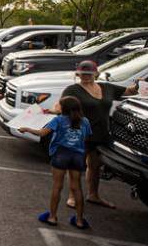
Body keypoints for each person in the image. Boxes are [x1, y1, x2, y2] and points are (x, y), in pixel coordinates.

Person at [60, 60, 138, 211]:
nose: (86, 77)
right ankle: (72, 196)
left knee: (95, 166)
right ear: (78, 74)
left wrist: (139, 85)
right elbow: (62, 105)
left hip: (101, 134)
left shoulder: (106, 87)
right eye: (83, 74)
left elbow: (129, 91)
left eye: (89, 74)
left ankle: (93, 195)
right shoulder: (73, 90)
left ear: (96, 73)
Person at [20, 95, 90, 229]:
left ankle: (52, 216)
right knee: (77, 188)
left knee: (57, 186)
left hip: (61, 154)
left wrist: (26, 129)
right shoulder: (85, 121)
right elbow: (85, 138)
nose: (57, 106)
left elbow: (42, 133)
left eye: (59, 105)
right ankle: (80, 220)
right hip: (77, 156)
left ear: (64, 109)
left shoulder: (58, 120)